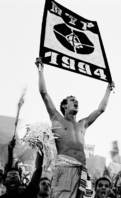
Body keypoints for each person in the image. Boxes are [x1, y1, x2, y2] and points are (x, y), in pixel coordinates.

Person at [35, 57, 114, 198]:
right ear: (64, 106)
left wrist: (108, 89)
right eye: (72, 100)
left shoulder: (83, 123)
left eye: (77, 101)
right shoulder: (56, 118)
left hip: (82, 169)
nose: (76, 102)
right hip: (64, 168)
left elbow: (101, 109)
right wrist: (41, 69)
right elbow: (44, 93)